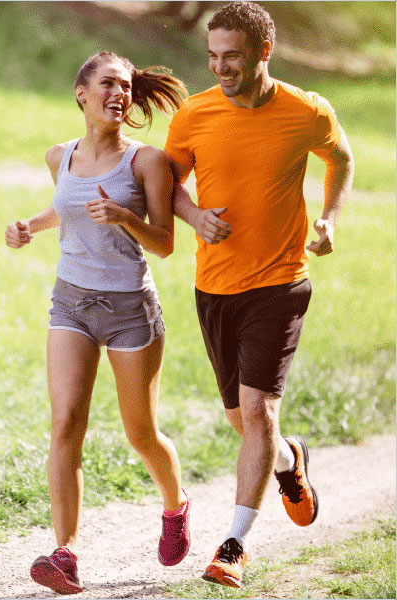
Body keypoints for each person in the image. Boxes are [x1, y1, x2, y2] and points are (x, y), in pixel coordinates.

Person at [164, 1, 354, 589]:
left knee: (256, 410)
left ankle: (234, 544)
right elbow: (166, 186)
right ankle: (289, 463)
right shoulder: (194, 115)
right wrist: (194, 214)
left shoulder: (305, 110)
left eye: (232, 57)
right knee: (240, 420)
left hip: (280, 281)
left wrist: (330, 219)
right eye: (213, 56)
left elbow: (340, 158)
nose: (220, 67)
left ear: (262, 53)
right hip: (214, 284)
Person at [5, 51, 191, 595]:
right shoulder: (58, 156)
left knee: (142, 434)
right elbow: (68, 206)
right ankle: (65, 553)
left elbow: (165, 244)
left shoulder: (146, 162)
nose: (120, 93)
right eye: (109, 83)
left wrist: (126, 217)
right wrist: (29, 226)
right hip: (71, 303)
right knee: (66, 425)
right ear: (81, 92)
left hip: (131, 309)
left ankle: (176, 504)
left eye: (127, 86)